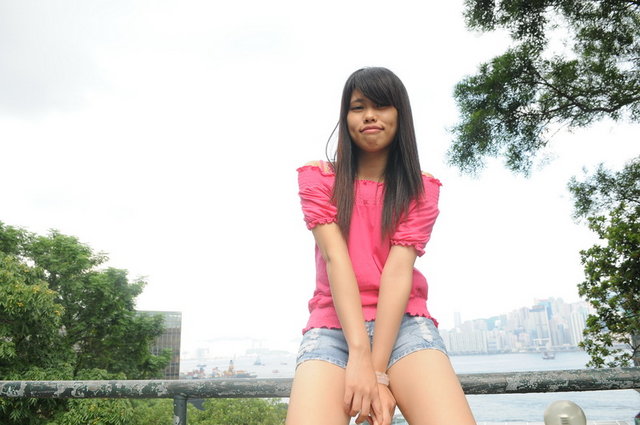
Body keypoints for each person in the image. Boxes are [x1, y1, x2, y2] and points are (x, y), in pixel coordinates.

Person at [285, 67, 476, 425]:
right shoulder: (319, 178)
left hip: (403, 323)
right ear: (345, 117)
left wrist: (377, 373)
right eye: (358, 107)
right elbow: (336, 259)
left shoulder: (421, 189)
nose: (369, 115)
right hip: (333, 324)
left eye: (382, 105)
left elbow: (397, 272)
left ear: (400, 115)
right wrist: (359, 353)